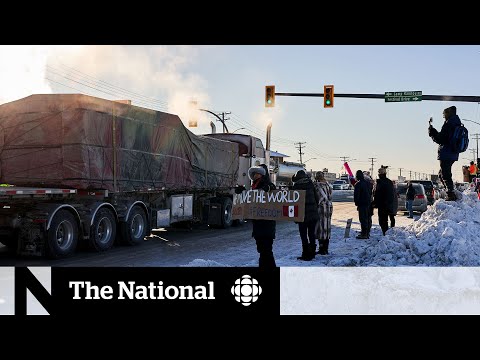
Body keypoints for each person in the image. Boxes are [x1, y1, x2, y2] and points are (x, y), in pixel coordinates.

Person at [236, 165, 277, 268]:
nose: (254, 175)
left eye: (257, 173)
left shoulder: (267, 184)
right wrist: (242, 191)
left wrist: (267, 188)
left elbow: (273, 190)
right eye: (253, 174)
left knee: (266, 250)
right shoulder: (254, 186)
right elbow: (250, 199)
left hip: (267, 225)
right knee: (262, 250)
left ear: (262, 174)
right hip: (258, 225)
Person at [428, 106, 461, 201]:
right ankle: (450, 191)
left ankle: (451, 193)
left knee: (445, 173)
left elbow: (441, 139)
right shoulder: (456, 123)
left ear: (449, 113)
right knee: (442, 173)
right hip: (453, 152)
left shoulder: (449, 124)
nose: (444, 116)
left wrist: (432, 132)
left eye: (444, 114)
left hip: (447, 152)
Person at [292, 169, 319, 261]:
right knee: (311, 233)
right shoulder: (311, 184)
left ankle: (305, 253)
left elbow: (292, 202)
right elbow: (317, 198)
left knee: (303, 235)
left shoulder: (296, 186)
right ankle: (312, 252)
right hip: (313, 214)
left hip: (302, 215)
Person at [313, 171, 333, 255]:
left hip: (321, 208)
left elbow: (316, 198)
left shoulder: (317, 186)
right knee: (327, 227)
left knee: (320, 228)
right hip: (329, 208)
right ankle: (326, 248)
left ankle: (321, 248)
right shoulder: (328, 186)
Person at [372, 166, 394, 236]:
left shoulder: (380, 182)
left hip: (382, 205)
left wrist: (375, 203)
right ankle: (386, 233)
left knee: (382, 221)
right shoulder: (389, 182)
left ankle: (385, 233)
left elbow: (377, 194)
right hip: (388, 205)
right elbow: (392, 194)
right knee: (385, 220)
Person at [353, 170, 371, 239]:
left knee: (363, 219)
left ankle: (364, 234)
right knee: (367, 218)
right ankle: (367, 232)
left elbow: (356, 196)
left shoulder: (358, 184)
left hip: (362, 204)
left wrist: (357, 203)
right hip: (368, 203)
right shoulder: (368, 183)